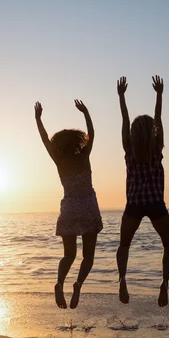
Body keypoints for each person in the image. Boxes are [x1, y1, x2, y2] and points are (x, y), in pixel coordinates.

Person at [34, 100, 103, 309]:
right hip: (89, 208)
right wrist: (86, 112)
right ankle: (78, 285)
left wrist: (38, 118)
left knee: (69, 255)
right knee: (88, 256)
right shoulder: (84, 156)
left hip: (70, 209)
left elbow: (45, 139)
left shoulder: (59, 161)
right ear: (77, 142)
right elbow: (92, 133)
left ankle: (59, 283)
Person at [116, 75, 169, 307]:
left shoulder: (128, 147)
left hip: (133, 205)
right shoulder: (156, 147)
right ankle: (165, 283)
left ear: (133, 133)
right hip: (156, 203)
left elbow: (124, 118)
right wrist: (159, 94)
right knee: (168, 246)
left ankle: (122, 279)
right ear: (152, 132)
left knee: (124, 245)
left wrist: (121, 96)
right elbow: (158, 119)